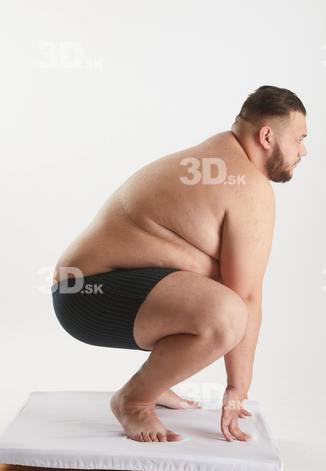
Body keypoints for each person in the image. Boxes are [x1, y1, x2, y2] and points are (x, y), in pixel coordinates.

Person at [51, 85, 308, 443]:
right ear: (267, 136)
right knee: (228, 313)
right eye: (299, 139)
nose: (303, 150)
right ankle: (134, 401)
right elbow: (246, 296)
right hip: (89, 294)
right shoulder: (248, 185)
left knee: (213, 285)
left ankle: (156, 384)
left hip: (84, 288)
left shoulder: (217, 159)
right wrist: (238, 388)